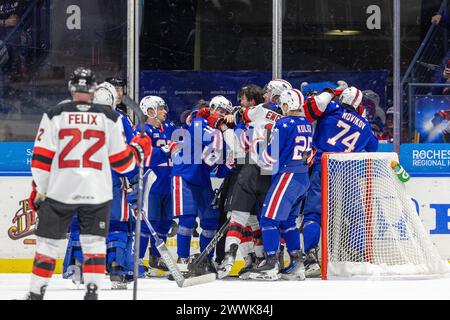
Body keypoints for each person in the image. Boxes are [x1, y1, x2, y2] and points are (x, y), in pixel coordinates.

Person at [22, 67, 151, 300]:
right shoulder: (112, 118)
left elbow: (41, 160)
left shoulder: (54, 114)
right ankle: (97, 288)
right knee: (98, 240)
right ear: (92, 89)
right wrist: (139, 150)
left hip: (63, 188)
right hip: (97, 190)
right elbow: (123, 164)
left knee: (52, 243)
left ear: (71, 87)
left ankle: (39, 291)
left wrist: (40, 190)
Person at [301, 85, 378, 278]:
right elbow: (373, 147)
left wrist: (328, 92)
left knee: (313, 214)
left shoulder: (331, 108)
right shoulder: (364, 125)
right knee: (354, 216)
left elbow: (310, 109)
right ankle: (357, 255)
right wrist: (361, 121)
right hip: (347, 172)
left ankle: (310, 257)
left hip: (323, 167)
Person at [247, 89, 313, 281]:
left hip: (287, 176)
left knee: (268, 219)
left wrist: (258, 155)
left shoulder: (283, 124)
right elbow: (306, 156)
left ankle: (271, 264)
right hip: (302, 178)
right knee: (288, 222)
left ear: (287, 105)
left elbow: (270, 155)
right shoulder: (308, 124)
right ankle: (297, 263)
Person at [132, 95, 178, 276]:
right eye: (161, 109)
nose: (165, 112)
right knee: (146, 224)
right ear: (150, 111)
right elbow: (144, 156)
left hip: (169, 183)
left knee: (165, 222)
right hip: (152, 185)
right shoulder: (142, 130)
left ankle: (156, 258)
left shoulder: (169, 128)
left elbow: (186, 135)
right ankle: (136, 261)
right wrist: (166, 150)